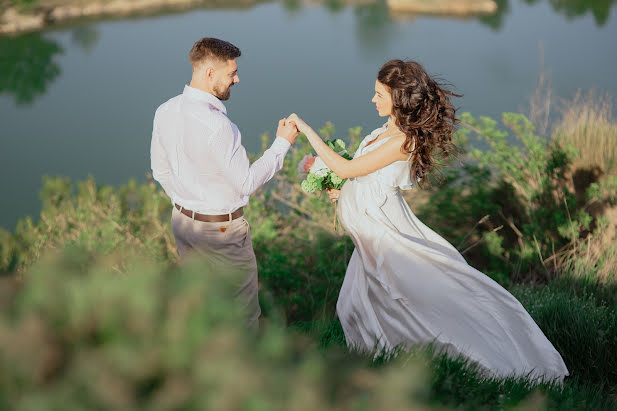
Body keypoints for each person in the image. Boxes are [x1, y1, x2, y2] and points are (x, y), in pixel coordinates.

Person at [286, 59, 569, 382]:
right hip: (368, 234)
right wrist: (343, 192)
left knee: (414, 296)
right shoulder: (387, 130)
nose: (373, 100)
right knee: (356, 304)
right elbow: (364, 176)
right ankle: (382, 363)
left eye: (379, 94)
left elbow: (348, 169)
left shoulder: (402, 140)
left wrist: (308, 132)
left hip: (385, 232)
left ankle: (483, 360)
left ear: (399, 98)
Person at [150, 37, 298, 330]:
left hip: (183, 223)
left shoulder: (165, 110)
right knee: (242, 314)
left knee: (199, 304)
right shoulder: (217, 125)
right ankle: (244, 372)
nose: (237, 79)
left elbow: (160, 171)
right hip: (221, 231)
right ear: (209, 74)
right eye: (231, 73)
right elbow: (245, 183)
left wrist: (188, 202)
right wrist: (281, 145)